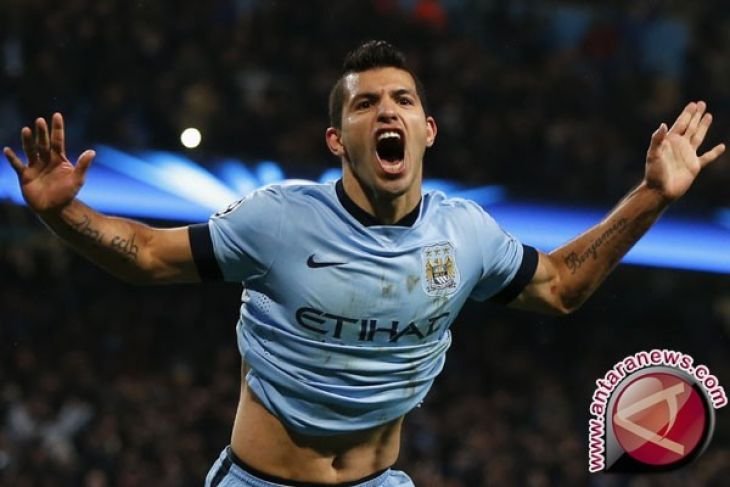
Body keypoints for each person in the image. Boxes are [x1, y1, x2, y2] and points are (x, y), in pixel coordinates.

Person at [3, 40, 725, 487]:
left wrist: (653, 195)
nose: (387, 111)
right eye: (365, 104)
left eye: (402, 100)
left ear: (426, 130)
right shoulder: (278, 219)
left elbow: (562, 287)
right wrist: (63, 213)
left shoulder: (465, 235)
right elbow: (148, 256)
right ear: (337, 138)